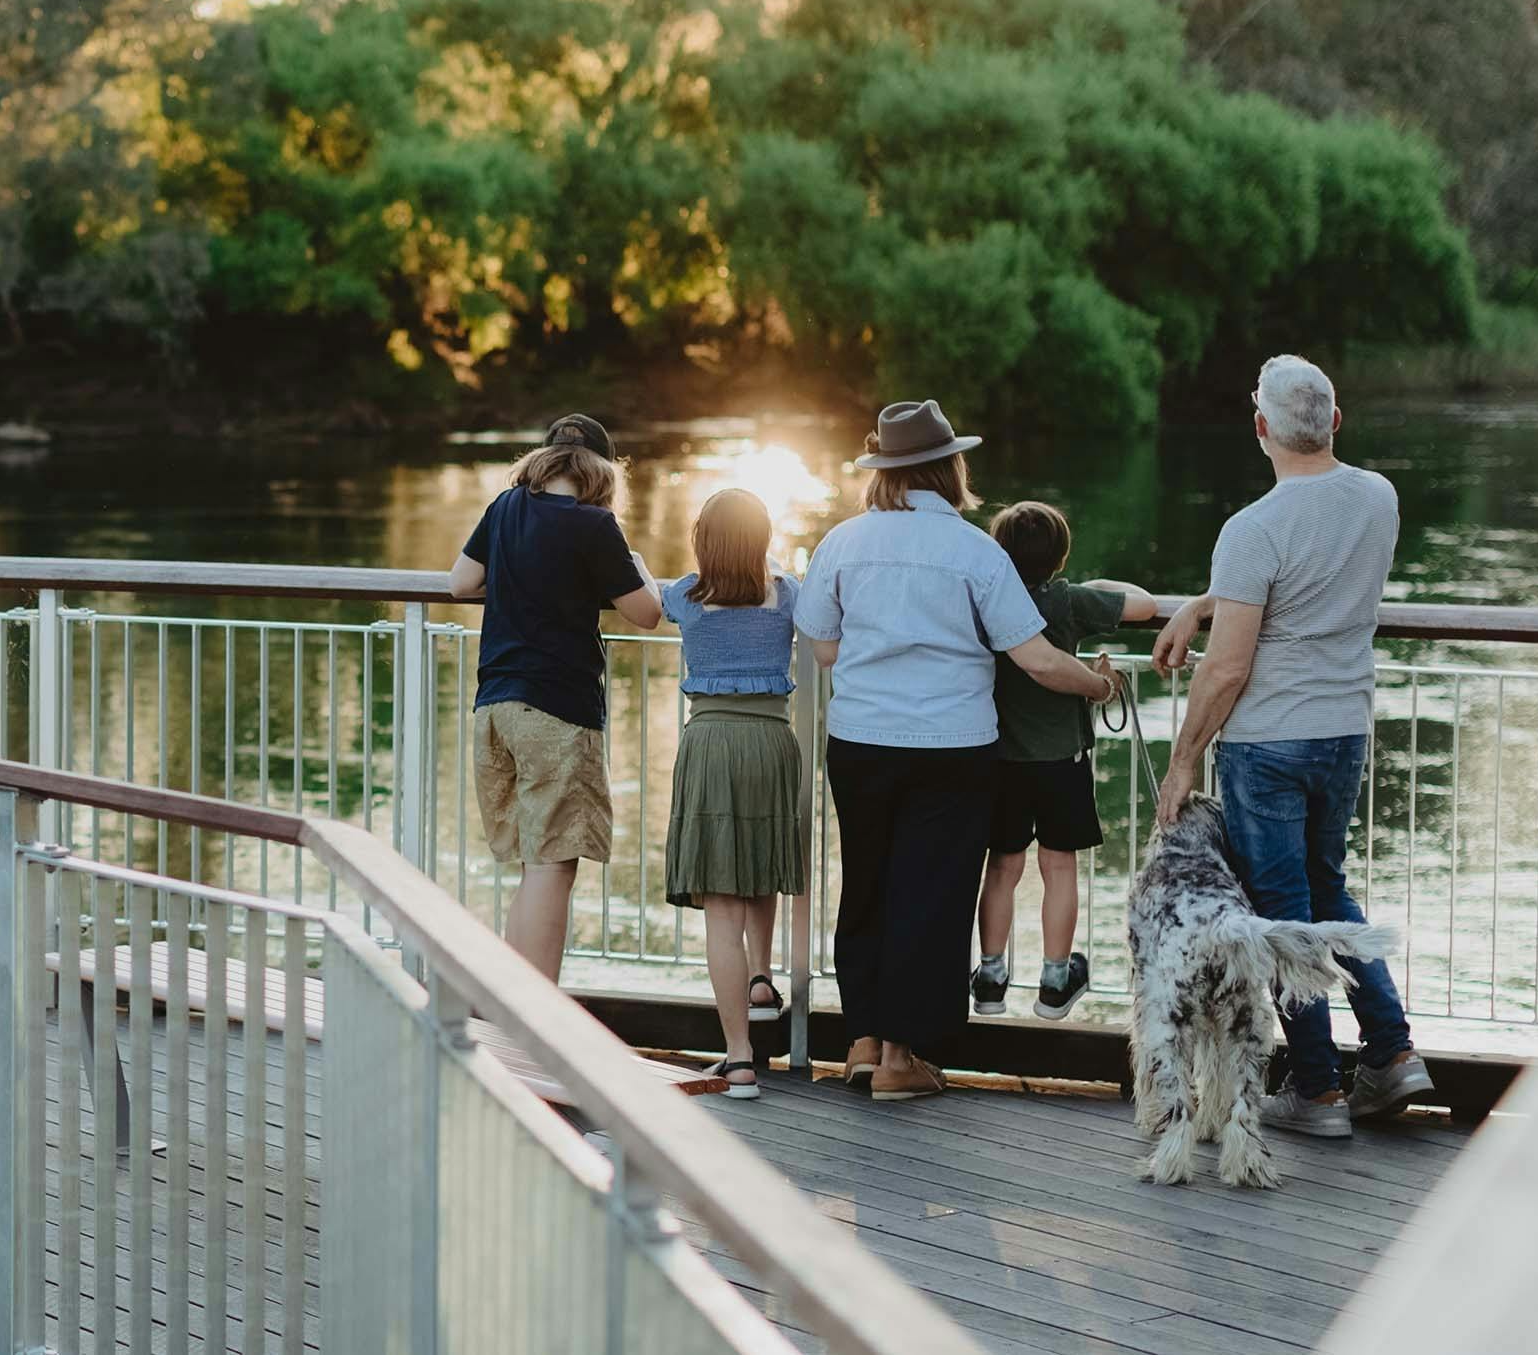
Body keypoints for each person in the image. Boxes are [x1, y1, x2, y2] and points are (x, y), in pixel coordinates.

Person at [795, 401, 1116, 1102]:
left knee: (869, 885)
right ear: (950, 468)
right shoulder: (977, 551)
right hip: (951, 746)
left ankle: (861, 1039)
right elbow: (1033, 656)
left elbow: (823, 648)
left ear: (884, 471)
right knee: (930, 896)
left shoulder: (841, 544)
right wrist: (1095, 683)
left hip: (860, 740)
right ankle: (901, 1058)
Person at [1151, 355, 1434, 1136]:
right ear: (1335, 422)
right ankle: (1392, 1050)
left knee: (1281, 910)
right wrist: (1203, 600)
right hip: (1344, 731)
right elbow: (1298, 570)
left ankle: (1316, 1089)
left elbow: (1229, 666)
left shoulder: (1252, 529)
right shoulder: (1378, 497)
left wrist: (1182, 762)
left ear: (1261, 428)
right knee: (1326, 890)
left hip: (1269, 744)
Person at [446, 413, 661, 982]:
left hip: (495, 705)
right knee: (551, 869)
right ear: (600, 471)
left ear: (544, 461)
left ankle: (513, 1007)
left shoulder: (504, 508)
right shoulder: (593, 525)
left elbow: (461, 583)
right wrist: (637, 567)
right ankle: (535, 1022)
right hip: (556, 711)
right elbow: (646, 613)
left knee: (531, 868)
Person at [971, 501, 1156, 1020]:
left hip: (1001, 757)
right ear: (1060, 555)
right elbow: (1142, 605)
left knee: (1002, 866)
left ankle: (989, 977)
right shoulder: (1070, 601)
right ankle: (1055, 980)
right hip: (1061, 761)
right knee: (1059, 867)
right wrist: (1096, 584)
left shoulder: (989, 601)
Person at [658, 487, 807, 1100]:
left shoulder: (686, 599)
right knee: (761, 867)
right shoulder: (788, 595)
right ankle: (762, 978)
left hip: (711, 739)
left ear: (702, 543)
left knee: (722, 906)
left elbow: (648, 598)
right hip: (772, 739)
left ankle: (740, 1059)